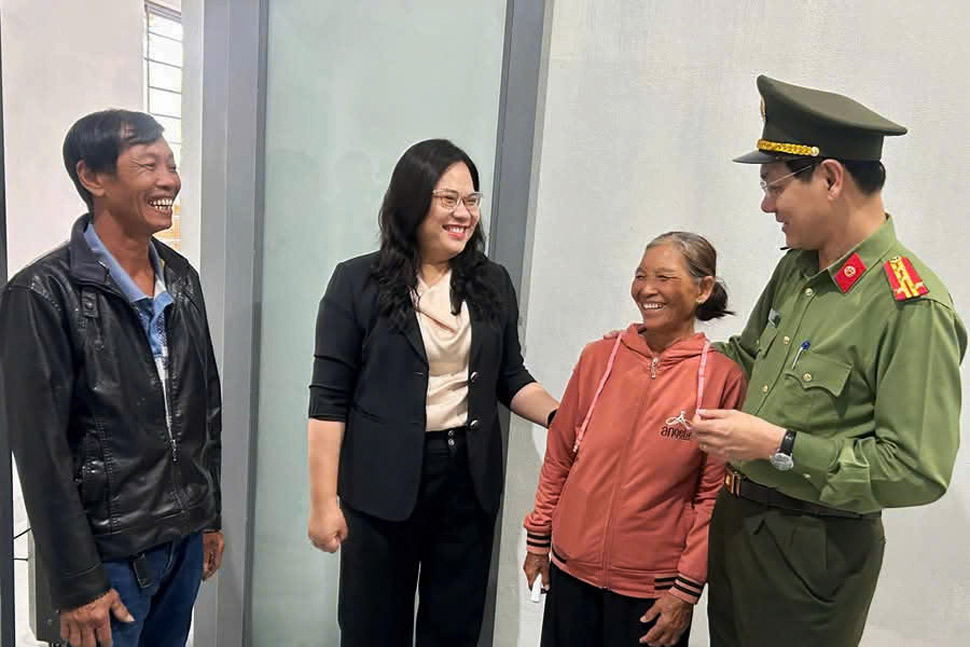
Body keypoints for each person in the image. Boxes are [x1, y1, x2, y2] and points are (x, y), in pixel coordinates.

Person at [691, 76, 966, 647]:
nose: (767, 205)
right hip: (739, 529)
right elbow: (744, 358)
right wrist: (665, 362)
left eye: (774, 186)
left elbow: (917, 469)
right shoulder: (798, 269)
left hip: (812, 557)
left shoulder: (909, 305)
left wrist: (779, 445)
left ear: (831, 178)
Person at [305, 138, 559, 646]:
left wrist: (566, 416)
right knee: (372, 626)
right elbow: (329, 400)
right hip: (382, 482)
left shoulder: (492, 281)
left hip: (467, 478)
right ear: (413, 200)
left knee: (455, 625)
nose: (463, 213)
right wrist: (322, 502)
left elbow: (511, 377)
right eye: (448, 200)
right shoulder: (357, 282)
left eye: (471, 200)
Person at [0, 110, 224, 647]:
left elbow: (204, 406)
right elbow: (40, 451)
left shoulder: (181, 276)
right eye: (148, 164)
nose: (169, 179)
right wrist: (76, 583)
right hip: (110, 558)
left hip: (182, 543)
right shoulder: (42, 293)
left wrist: (207, 513)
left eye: (171, 164)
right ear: (92, 177)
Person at [523, 232, 747, 647]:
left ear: (703, 289)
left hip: (653, 591)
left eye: (664, 277)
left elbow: (712, 494)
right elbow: (560, 455)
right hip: (572, 573)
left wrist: (686, 588)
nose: (647, 289)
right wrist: (539, 539)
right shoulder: (598, 358)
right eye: (641, 276)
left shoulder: (721, 378)